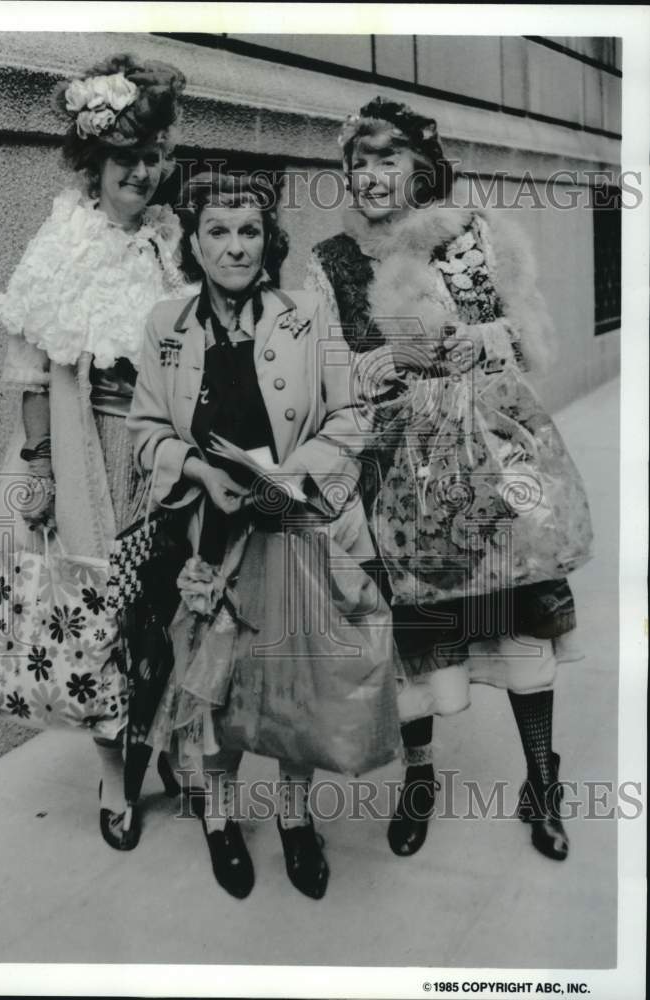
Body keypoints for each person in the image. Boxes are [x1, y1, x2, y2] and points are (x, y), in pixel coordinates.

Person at [306, 97, 593, 862]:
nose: (369, 177)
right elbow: (331, 377)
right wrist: (386, 368)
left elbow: (529, 335)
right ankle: (420, 779)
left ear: (422, 168)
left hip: (500, 455)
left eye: (387, 159)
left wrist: (479, 340)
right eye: (358, 162)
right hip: (399, 466)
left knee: (525, 598)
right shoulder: (331, 262)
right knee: (416, 625)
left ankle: (541, 780)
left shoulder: (475, 236)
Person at [127, 170, 387, 900]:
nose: (234, 248)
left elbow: (351, 418)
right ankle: (218, 819)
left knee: (289, 682)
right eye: (217, 231)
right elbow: (144, 431)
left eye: (248, 232)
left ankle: (296, 821)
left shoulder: (308, 314)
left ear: (268, 240)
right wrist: (201, 474)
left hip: (291, 531)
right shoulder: (164, 325)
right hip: (205, 538)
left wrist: (290, 475)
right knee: (212, 688)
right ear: (195, 241)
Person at [0, 54, 194, 852]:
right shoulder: (64, 243)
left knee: (171, 604)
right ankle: (115, 777)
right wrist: (40, 465)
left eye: (152, 158)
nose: (141, 174)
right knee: (100, 612)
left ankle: (172, 738)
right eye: (125, 161)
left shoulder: (161, 242)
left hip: (159, 447)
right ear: (93, 165)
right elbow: (31, 367)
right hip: (91, 454)